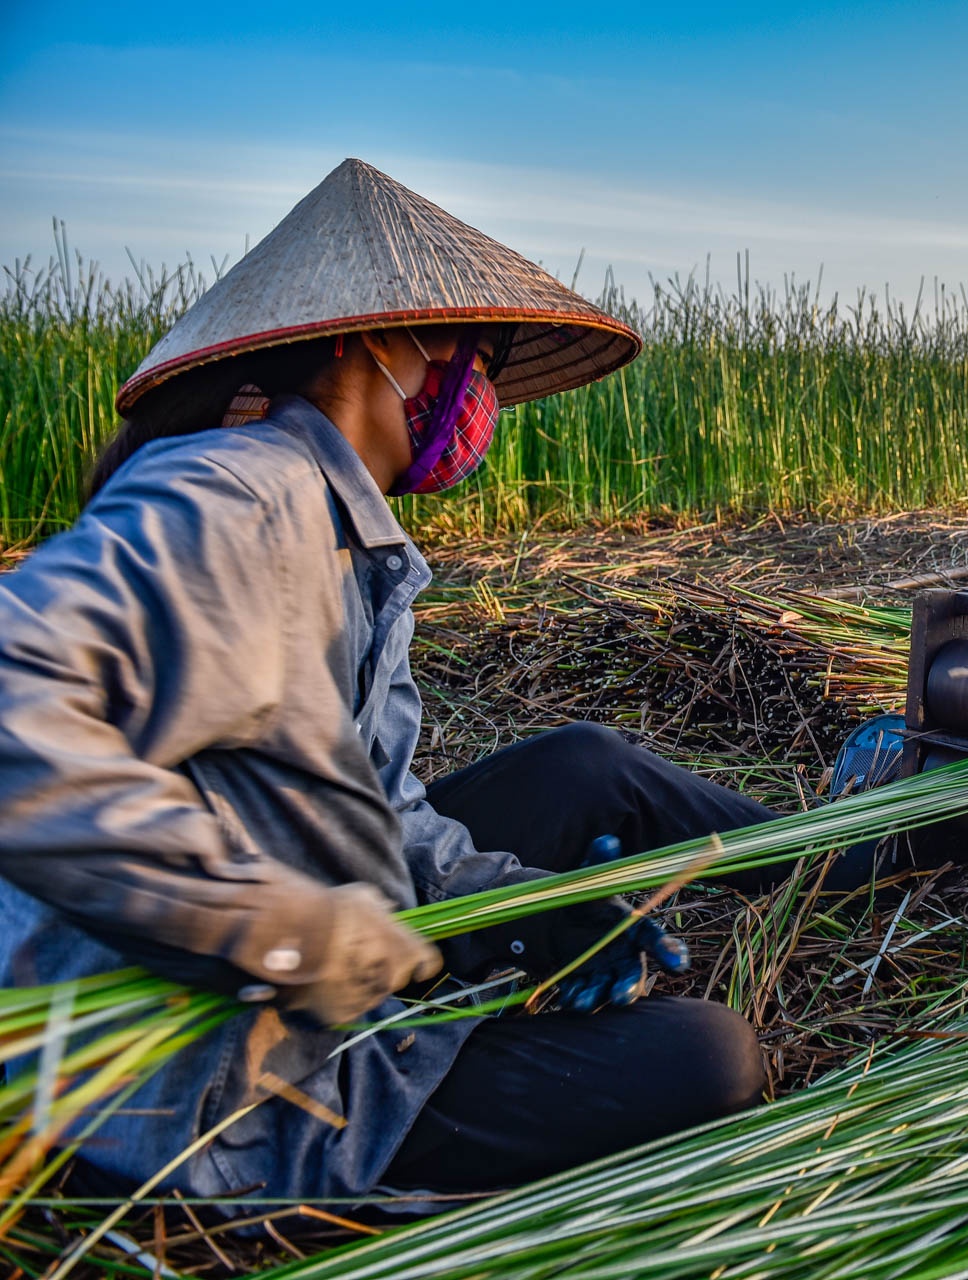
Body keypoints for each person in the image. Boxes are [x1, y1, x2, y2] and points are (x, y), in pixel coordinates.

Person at [0, 160, 786, 1206]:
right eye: (478, 358)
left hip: (291, 940)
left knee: (586, 763)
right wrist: (283, 929)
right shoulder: (241, 495)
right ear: (379, 342)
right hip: (189, 1075)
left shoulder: (348, 539)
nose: (484, 394)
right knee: (712, 1060)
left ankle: (866, 855)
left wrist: (527, 912)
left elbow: (387, 812)